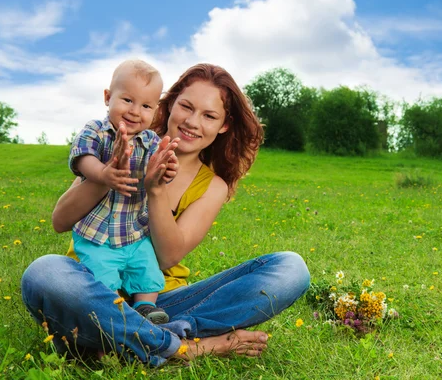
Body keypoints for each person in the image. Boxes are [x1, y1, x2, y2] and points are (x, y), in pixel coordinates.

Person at [21, 63, 310, 366]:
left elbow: (167, 258)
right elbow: (60, 221)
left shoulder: (212, 186)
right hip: (92, 293)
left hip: (160, 303)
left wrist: (155, 191)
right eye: (186, 106)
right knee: (45, 272)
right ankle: (184, 347)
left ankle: (120, 341)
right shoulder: (120, 141)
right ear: (170, 104)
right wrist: (110, 175)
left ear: (224, 125)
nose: (192, 122)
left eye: (209, 116)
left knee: (291, 268)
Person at [68, 59, 175, 324]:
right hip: (98, 235)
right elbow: (82, 157)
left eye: (146, 105)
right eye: (128, 100)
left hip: (135, 233)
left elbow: (157, 168)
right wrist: (103, 173)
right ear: (108, 97)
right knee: (101, 276)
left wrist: (166, 170)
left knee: (147, 271)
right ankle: (115, 313)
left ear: (155, 110)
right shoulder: (97, 130)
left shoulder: (150, 140)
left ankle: (146, 309)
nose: (135, 111)